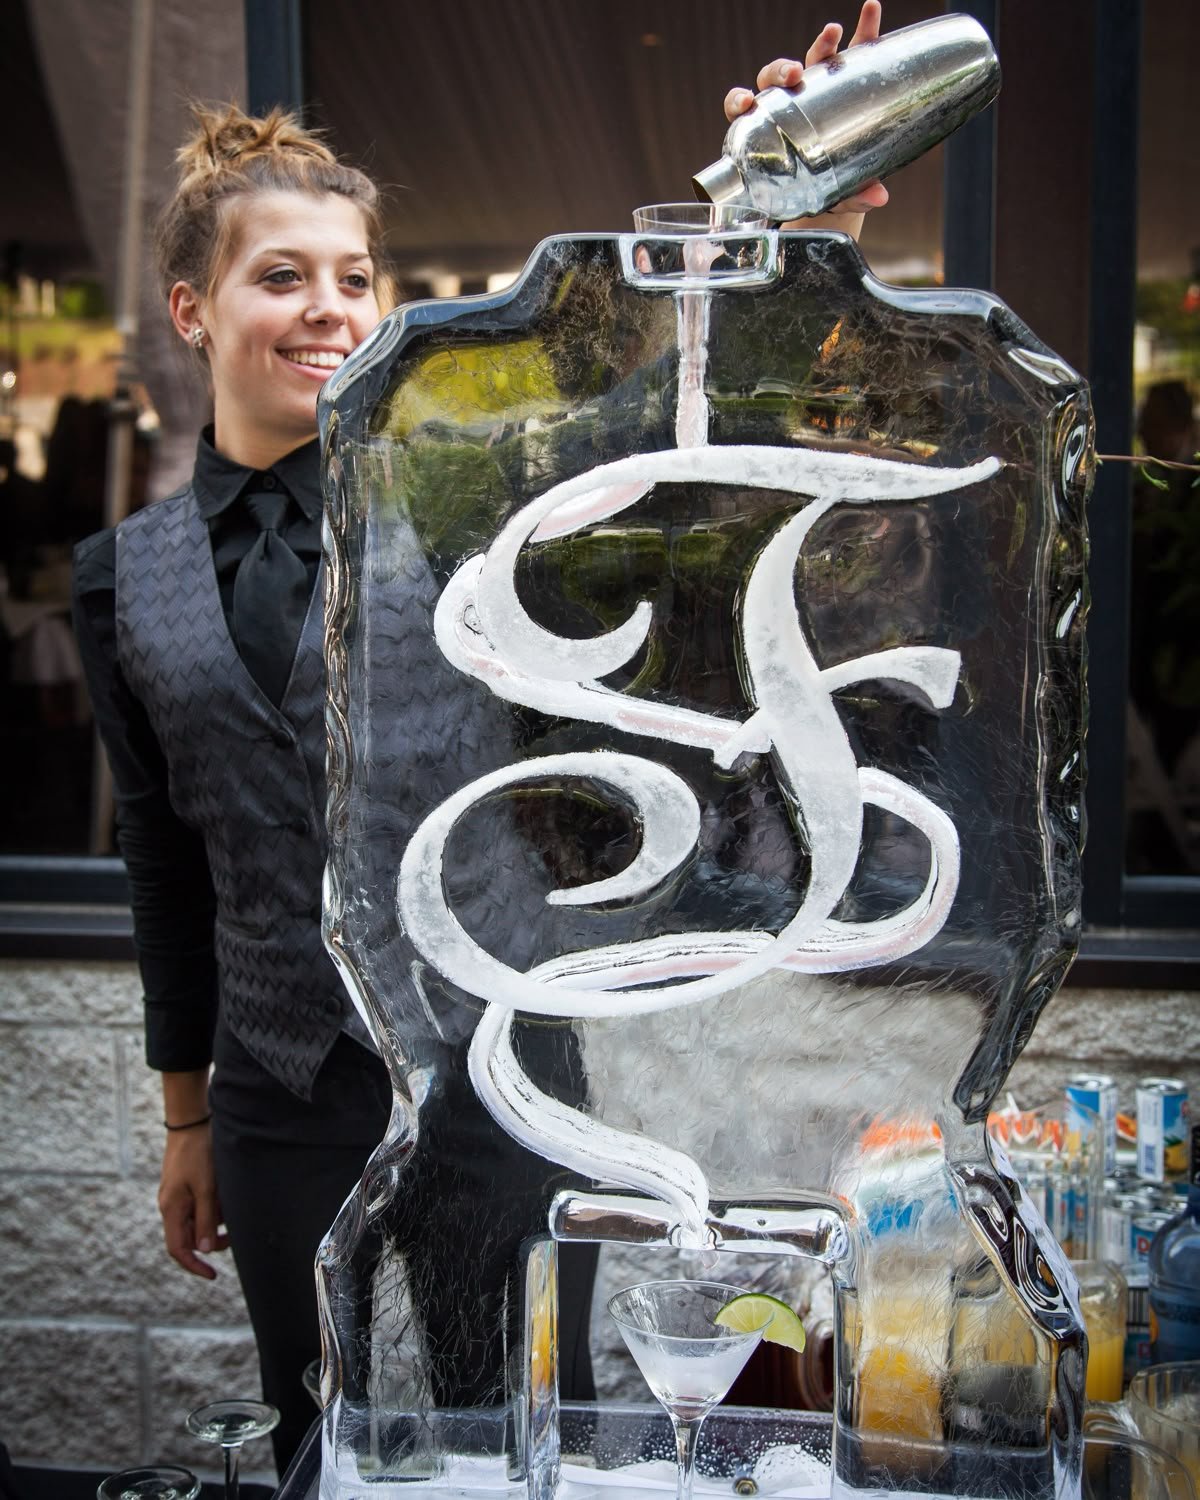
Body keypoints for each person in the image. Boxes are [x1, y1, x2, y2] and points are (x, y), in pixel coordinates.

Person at [72, 5, 887, 1476]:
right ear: (192, 309)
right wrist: (186, 1115)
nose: (330, 310)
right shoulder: (116, 577)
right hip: (278, 1079)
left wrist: (781, 233)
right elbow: (161, 857)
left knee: (513, 1426)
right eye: (281, 277)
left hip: (494, 1055)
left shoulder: (461, 497)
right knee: (320, 1430)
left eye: (354, 278)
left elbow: (653, 427)